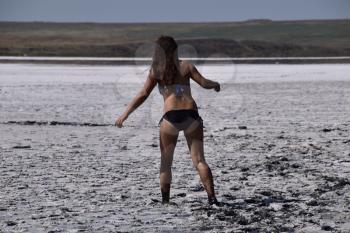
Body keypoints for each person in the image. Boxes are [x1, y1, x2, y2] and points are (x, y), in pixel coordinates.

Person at [115, 36, 221, 205]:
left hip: (170, 118)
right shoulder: (186, 65)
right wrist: (215, 84)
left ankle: (165, 201)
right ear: (175, 50)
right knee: (200, 160)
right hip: (191, 115)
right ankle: (212, 198)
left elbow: (143, 94)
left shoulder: (156, 70)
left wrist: (125, 114)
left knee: (166, 163)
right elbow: (204, 83)